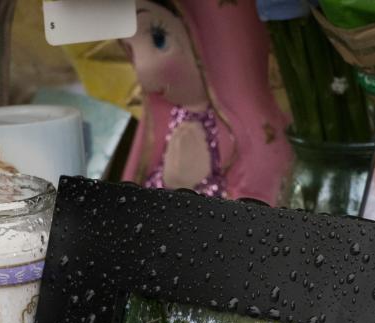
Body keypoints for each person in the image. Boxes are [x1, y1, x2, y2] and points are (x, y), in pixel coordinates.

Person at [120, 0, 292, 204]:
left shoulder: (252, 138)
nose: (142, 68)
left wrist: (193, 187)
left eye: (159, 39)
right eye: (129, 49)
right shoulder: (159, 121)